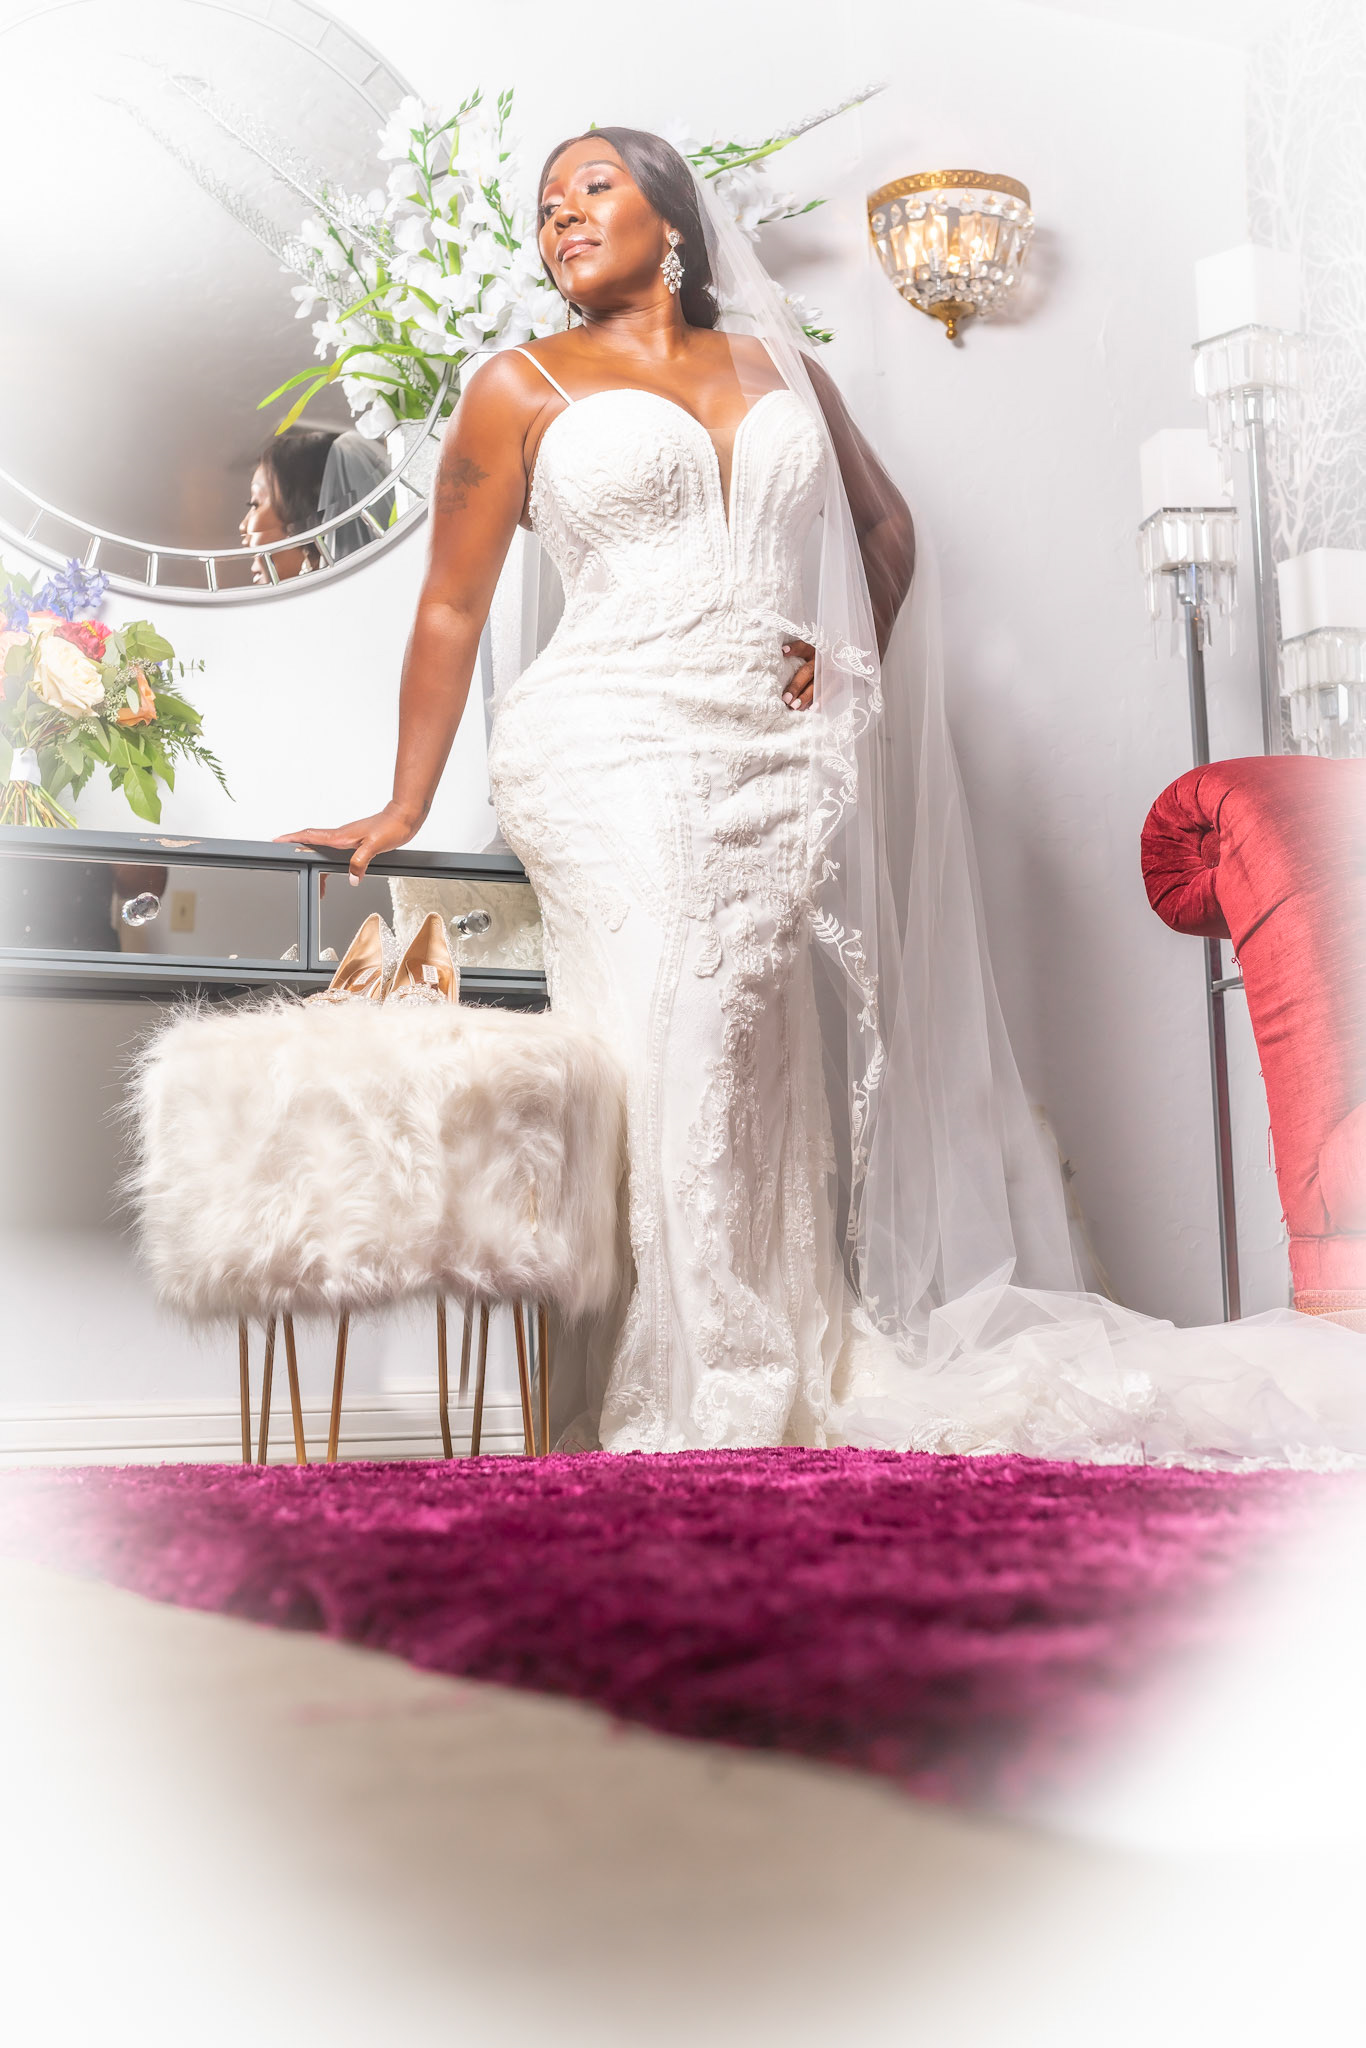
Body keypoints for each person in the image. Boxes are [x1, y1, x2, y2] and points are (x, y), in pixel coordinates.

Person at [282, 129, 1366, 1465]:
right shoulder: (518, 384)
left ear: (673, 220)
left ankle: (769, 1362)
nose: (561, 215)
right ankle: (678, 1388)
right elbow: (451, 603)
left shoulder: (777, 366)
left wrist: (826, 662)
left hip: (768, 750)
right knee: (666, 1035)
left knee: (754, 1053)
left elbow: (885, 529)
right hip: (604, 740)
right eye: (545, 206)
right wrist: (401, 806)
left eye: (592, 188)